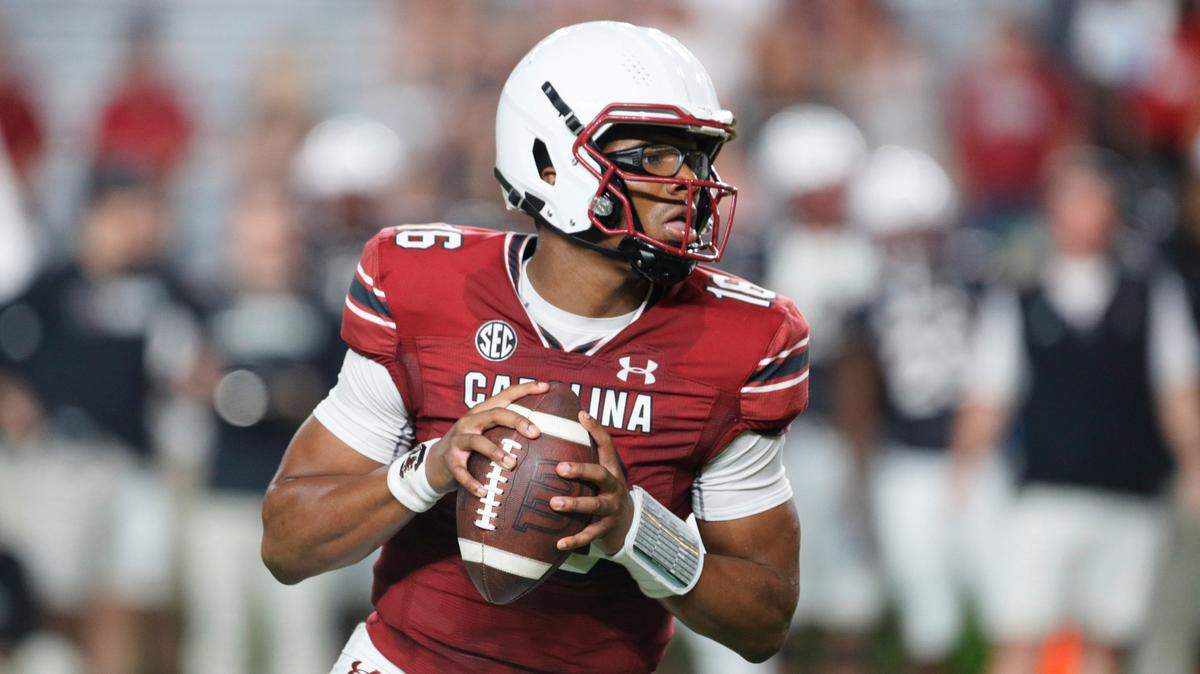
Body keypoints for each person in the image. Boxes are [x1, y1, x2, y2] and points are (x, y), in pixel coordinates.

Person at [262, 21, 809, 674]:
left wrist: (635, 529)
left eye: (697, 156)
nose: (687, 184)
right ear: (549, 161)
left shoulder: (737, 339)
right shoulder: (425, 291)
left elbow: (765, 621)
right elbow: (287, 544)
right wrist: (432, 470)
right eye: (653, 154)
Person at [953, 148, 1200, 674]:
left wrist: (1193, 462)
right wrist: (963, 471)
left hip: (1129, 493)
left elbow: (1176, 390)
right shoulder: (1021, 293)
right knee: (1020, 634)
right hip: (1044, 492)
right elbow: (990, 395)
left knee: (1106, 642)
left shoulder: (1150, 292)